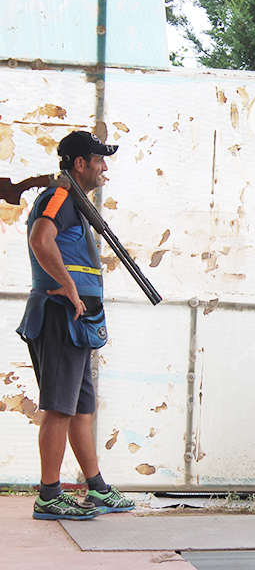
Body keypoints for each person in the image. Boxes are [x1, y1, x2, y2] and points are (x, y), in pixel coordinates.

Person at [17, 131, 135, 520]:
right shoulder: (60, 196)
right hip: (60, 314)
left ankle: (96, 488)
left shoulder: (71, 199)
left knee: (80, 408)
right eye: (99, 160)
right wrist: (68, 285)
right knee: (58, 408)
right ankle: (49, 496)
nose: (105, 168)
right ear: (80, 163)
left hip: (76, 319)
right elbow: (40, 239)